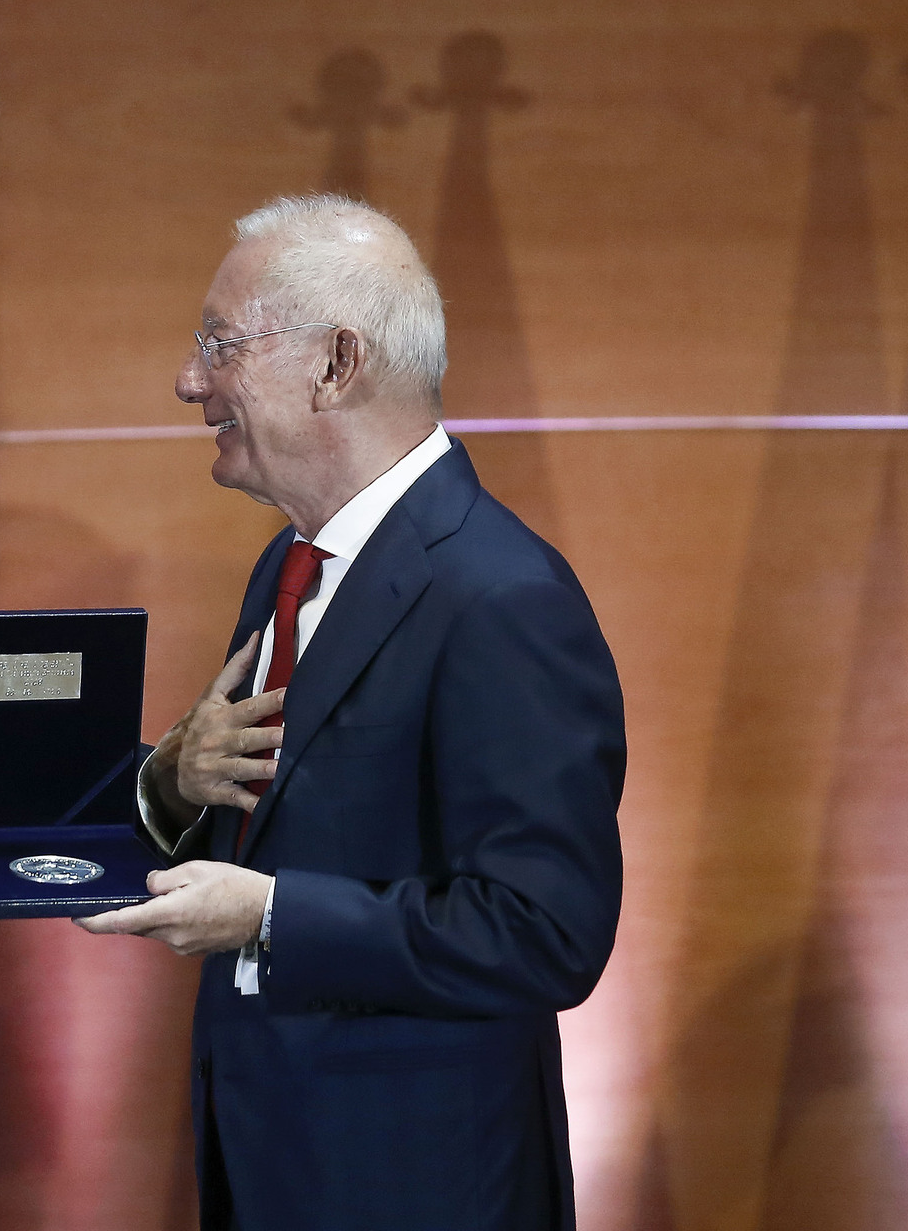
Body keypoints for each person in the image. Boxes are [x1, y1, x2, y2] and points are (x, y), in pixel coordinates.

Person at [79, 195, 625, 1230]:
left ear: (337, 364)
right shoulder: (287, 568)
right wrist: (182, 782)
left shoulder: (503, 597)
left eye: (220, 344)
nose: (189, 379)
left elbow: (548, 930)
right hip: (272, 1164)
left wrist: (270, 912)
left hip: (422, 1188)